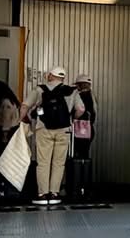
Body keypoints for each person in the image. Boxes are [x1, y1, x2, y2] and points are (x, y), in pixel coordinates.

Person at [20, 66, 85, 205]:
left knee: (43, 162)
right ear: (63, 78)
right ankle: (54, 193)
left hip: (44, 129)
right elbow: (81, 109)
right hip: (64, 130)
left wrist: (24, 120)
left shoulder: (39, 89)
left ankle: (42, 194)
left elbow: (24, 106)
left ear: (50, 75)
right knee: (59, 163)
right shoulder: (72, 91)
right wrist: (72, 119)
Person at [73, 72, 96, 159]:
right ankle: (84, 167)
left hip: (80, 128)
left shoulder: (80, 96)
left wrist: (73, 117)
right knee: (84, 154)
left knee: (77, 154)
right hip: (89, 128)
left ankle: (78, 167)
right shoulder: (92, 96)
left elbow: (79, 110)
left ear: (80, 85)